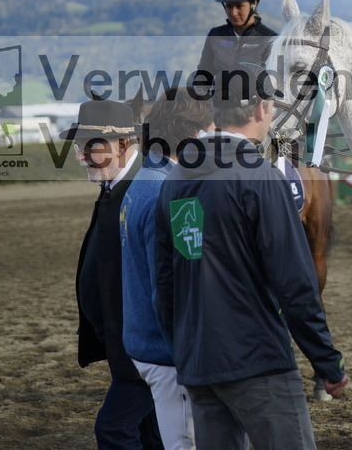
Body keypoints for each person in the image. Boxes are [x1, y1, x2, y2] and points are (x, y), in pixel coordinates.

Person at [155, 66, 348, 449]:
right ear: (261, 108)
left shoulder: (175, 180)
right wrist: (326, 361)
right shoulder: (259, 177)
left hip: (198, 364)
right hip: (258, 361)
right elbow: (295, 282)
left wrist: (184, 348)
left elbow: (164, 281)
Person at [61, 99, 162, 449]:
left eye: (91, 146)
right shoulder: (115, 185)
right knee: (151, 433)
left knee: (114, 430)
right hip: (125, 344)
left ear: (123, 145)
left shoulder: (144, 190)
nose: (80, 156)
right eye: (79, 146)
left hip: (145, 349)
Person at [121, 89, 214, 449]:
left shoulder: (144, 180)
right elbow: (176, 283)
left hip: (145, 343)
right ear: (192, 137)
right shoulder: (174, 191)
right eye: (209, 130)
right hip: (170, 353)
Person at [197, 0, 278, 82]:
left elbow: (277, 83)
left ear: (253, 3)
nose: (233, 13)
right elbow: (203, 75)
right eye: (229, 6)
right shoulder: (215, 35)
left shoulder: (271, 39)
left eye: (239, 6)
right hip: (219, 97)